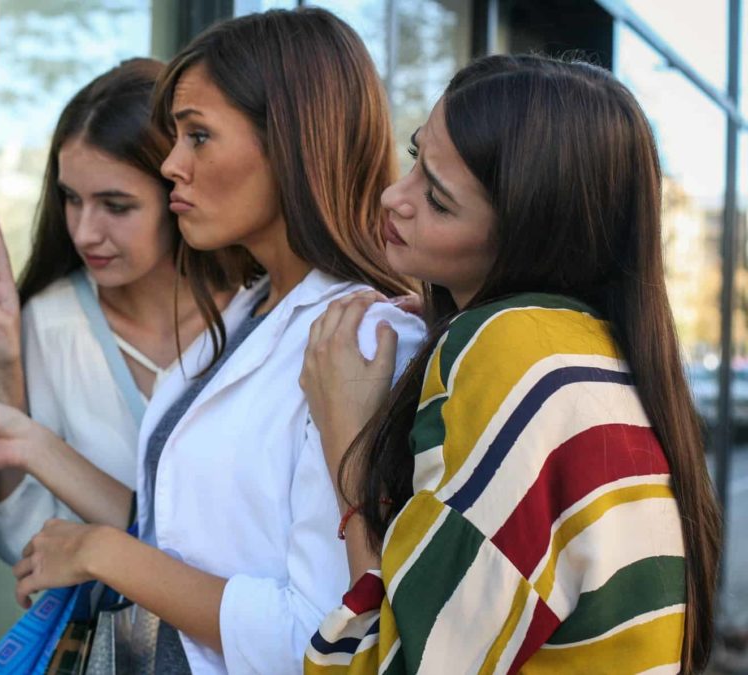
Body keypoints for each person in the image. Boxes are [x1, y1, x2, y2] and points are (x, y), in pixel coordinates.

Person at [0, 9, 425, 674]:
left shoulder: (365, 339)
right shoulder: (253, 309)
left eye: (198, 136)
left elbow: (320, 635)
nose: (171, 164)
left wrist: (103, 552)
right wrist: (29, 441)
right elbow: (179, 534)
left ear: (291, 145)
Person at [301, 54, 722, 673]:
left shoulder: (511, 352)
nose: (394, 197)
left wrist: (348, 443)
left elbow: (397, 661)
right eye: (416, 156)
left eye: (438, 200)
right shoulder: (599, 352)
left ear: (530, 235)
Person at [0, 58, 246, 565]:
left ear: (179, 191)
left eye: (116, 206)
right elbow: (23, 543)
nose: (83, 232)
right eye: (71, 199)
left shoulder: (260, 315)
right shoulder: (51, 323)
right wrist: (7, 378)